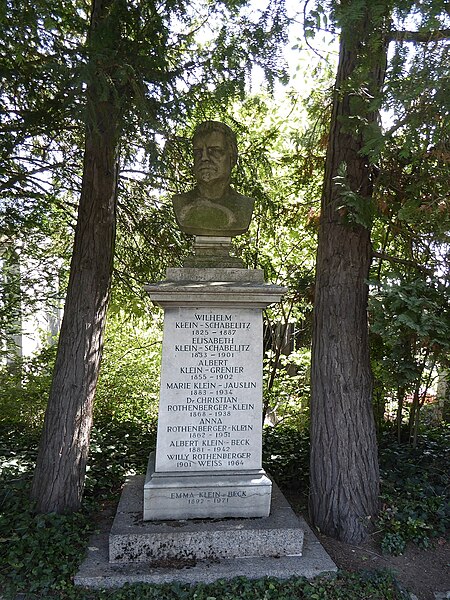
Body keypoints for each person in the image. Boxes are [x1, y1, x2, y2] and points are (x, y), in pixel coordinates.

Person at [172, 121, 254, 237]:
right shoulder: (181, 203)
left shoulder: (244, 206)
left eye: (214, 151)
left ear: (232, 158)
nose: (204, 158)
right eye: (198, 152)